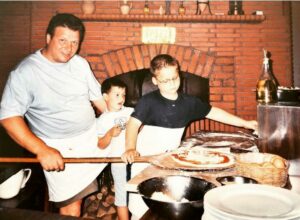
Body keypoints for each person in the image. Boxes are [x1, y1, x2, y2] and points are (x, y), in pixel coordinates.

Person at [121, 54, 258, 219]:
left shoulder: (189, 103)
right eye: (165, 80)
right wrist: (130, 148)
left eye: (174, 78)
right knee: (142, 209)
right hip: (144, 160)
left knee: (166, 203)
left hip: (169, 160)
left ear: (179, 74)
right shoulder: (148, 101)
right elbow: (132, 125)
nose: (171, 84)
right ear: (155, 81)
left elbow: (214, 112)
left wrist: (245, 123)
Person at [0, 13, 108, 217]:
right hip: (59, 146)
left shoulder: (80, 64)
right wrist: (41, 149)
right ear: (48, 38)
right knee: (72, 208)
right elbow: (8, 117)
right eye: (63, 41)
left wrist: (121, 121)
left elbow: (100, 101)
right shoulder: (26, 72)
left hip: (92, 135)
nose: (69, 48)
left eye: (74, 43)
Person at [96, 77, 133, 220]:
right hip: (118, 162)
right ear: (105, 97)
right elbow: (101, 144)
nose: (121, 98)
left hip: (136, 159)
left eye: (123, 94)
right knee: (121, 196)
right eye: (117, 95)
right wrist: (109, 134)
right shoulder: (103, 120)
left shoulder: (130, 111)